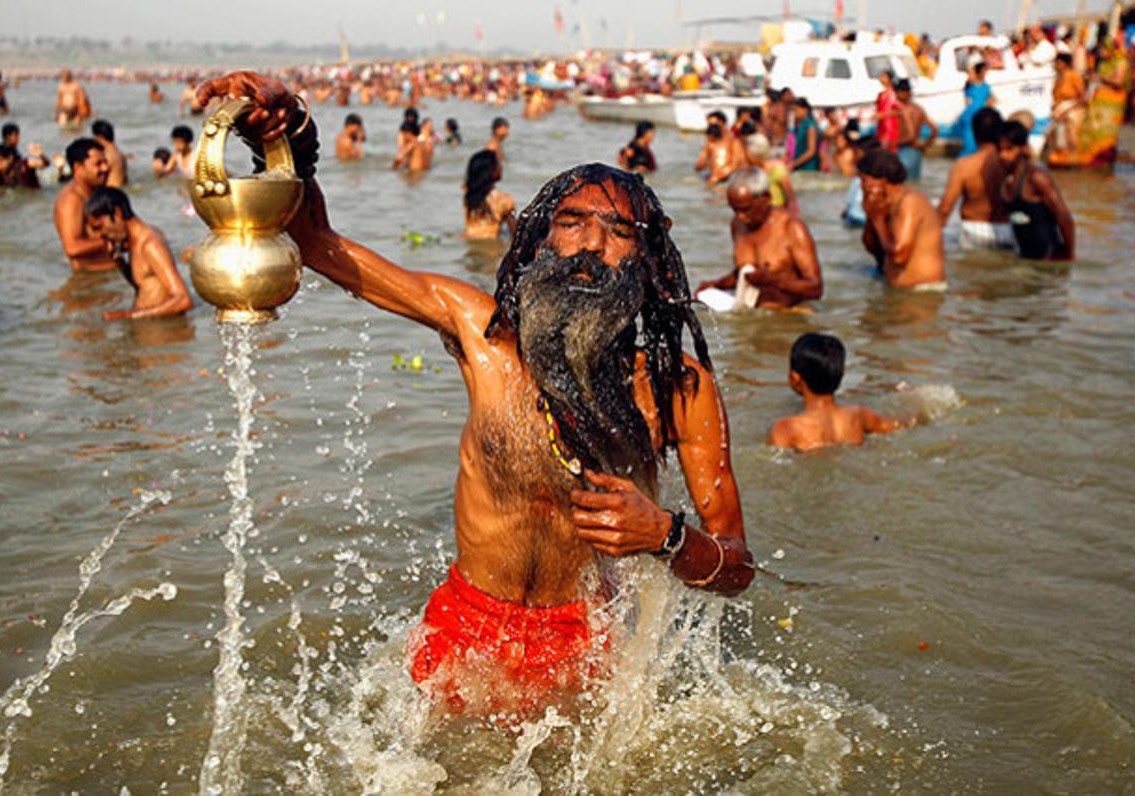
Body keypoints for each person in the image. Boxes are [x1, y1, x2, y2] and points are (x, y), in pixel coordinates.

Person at [196, 71, 755, 712]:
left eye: (619, 232)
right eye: (573, 222)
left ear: (647, 260)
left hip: (586, 646)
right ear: (542, 238)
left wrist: (664, 534)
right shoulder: (480, 333)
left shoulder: (678, 389)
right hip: (463, 632)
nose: (592, 244)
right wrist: (289, 132)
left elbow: (736, 569)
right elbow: (319, 245)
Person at [693, 167, 822, 311]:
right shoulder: (737, 225)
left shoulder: (792, 228)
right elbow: (743, 273)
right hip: (753, 314)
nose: (741, 216)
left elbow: (815, 288)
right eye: (735, 210)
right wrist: (715, 285)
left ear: (766, 198)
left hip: (787, 316)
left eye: (746, 209)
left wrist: (773, 281)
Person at [769, 333, 910, 452]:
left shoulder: (786, 428)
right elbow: (900, 425)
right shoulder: (859, 415)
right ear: (841, 374)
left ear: (795, 378)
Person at [85, 187, 194, 320]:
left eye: (99, 227)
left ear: (117, 214)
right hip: (153, 328)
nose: (100, 235)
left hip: (163, 334)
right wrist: (121, 265)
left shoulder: (150, 244)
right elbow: (146, 285)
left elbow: (184, 300)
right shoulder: (136, 241)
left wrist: (128, 315)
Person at [859, 148, 945, 289]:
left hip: (921, 294)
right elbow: (872, 248)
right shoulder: (888, 203)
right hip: (898, 290)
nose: (861, 187)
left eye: (864, 180)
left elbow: (899, 256)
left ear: (882, 180)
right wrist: (871, 214)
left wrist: (877, 220)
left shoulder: (910, 201)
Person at [1047, 34, 1132, 169]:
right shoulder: (1103, 62)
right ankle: (1091, 159)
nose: (1100, 52)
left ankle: (1104, 160)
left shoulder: (1120, 61)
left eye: (1103, 49)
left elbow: (1118, 82)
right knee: (1091, 131)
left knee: (1105, 133)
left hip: (1112, 104)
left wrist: (1099, 77)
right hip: (1098, 102)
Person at [937, 108, 1013, 250]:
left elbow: (945, 208)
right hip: (1008, 230)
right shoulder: (1012, 163)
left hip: (973, 230)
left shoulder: (964, 165)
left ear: (974, 134)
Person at [998, 121, 1074, 261]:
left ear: (1024, 148)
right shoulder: (1006, 179)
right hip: (1025, 258)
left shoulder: (1037, 178)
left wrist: (1070, 255)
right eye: (1000, 150)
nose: (1003, 155)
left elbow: (1064, 217)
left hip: (1049, 260)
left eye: (1009, 149)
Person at [53, 138, 116, 272]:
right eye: (98, 164)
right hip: (91, 283)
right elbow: (72, 247)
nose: (105, 168)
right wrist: (108, 242)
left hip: (109, 278)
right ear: (78, 168)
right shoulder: (72, 199)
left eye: (105, 162)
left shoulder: (94, 193)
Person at [462, 149, 516, 240]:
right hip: (490, 248)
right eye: (499, 164)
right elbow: (515, 234)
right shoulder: (505, 200)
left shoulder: (469, 197)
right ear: (492, 172)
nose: (501, 167)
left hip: (468, 240)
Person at [894, 78, 937, 181]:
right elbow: (935, 129)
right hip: (916, 151)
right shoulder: (918, 109)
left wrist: (893, 143)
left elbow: (910, 136)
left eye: (897, 92)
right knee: (914, 183)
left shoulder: (902, 110)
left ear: (902, 93)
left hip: (903, 149)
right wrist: (925, 145)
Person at [1047, 53, 1086, 157]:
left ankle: (1073, 158)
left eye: (1057, 63)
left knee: (1071, 137)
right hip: (1059, 110)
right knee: (1053, 136)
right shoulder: (1058, 77)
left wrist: (1067, 110)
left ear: (1063, 63)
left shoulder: (1074, 75)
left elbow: (1083, 98)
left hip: (1072, 109)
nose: (1055, 65)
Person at [952, 61, 994, 157]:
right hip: (971, 115)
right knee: (969, 142)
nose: (985, 74)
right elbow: (970, 71)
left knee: (979, 142)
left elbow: (989, 99)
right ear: (978, 72)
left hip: (982, 114)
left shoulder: (986, 86)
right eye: (984, 71)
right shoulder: (971, 83)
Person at [743, 133, 794, 211]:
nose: (745, 159)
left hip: (777, 214)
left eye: (747, 155)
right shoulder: (752, 171)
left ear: (756, 155)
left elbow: (792, 200)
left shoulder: (778, 170)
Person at [694, 111, 744, 185]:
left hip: (729, 178)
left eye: (712, 124)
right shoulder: (710, 140)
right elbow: (699, 164)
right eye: (708, 124)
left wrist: (718, 176)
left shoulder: (733, 139)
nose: (710, 126)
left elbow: (737, 163)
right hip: (713, 177)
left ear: (722, 123)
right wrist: (702, 163)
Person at [842, 134, 880, 228]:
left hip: (861, 222)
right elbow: (849, 203)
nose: (854, 156)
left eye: (857, 152)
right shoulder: (857, 177)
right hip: (853, 219)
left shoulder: (876, 178)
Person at [91, 119, 127, 188]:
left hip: (110, 192)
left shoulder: (106, 155)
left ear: (99, 137)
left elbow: (95, 179)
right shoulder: (120, 154)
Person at [787, 99, 820, 172]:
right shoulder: (800, 124)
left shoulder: (810, 126)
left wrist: (794, 164)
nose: (795, 113)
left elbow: (811, 151)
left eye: (796, 110)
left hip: (808, 167)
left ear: (805, 110)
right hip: (800, 165)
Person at [875, 71, 901, 153]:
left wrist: (884, 114)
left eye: (884, 76)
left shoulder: (895, 93)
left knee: (890, 149)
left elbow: (901, 110)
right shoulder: (880, 94)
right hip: (881, 125)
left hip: (891, 126)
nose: (881, 78)